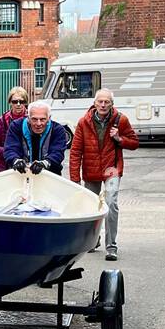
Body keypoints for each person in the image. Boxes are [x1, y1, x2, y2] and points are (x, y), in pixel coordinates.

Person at [68, 88, 138, 261]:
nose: (103, 104)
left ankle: (111, 247)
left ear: (112, 104)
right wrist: (75, 179)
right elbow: (75, 151)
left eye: (107, 102)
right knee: (91, 207)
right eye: (100, 101)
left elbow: (135, 143)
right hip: (91, 170)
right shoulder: (84, 122)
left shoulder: (120, 120)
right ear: (94, 103)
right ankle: (93, 240)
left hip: (111, 169)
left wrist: (119, 138)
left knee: (111, 203)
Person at [3, 99, 71, 176]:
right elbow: (10, 148)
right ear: (28, 118)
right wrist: (15, 160)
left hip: (50, 175)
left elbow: (57, 153)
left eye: (42, 119)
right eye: (34, 119)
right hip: (21, 173)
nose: (38, 123)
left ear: (49, 118)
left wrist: (44, 163)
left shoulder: (58, 130)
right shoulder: (16, 126)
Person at [0, 86, 29, 173]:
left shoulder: (32, 119)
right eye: (15, 101)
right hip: (3, 167)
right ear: (10, 102)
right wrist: (11, 154)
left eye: (21, 101)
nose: (18, 104)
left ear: (25, 102)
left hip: (26, 167)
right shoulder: (3, 120)